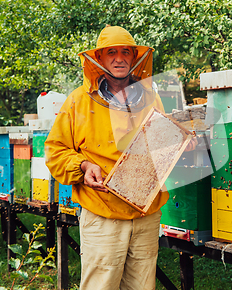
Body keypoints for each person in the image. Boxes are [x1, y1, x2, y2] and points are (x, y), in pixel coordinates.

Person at [46, 25, 182, 290]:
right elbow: (55, 151)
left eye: (125, 52)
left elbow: (161, 148)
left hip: (146, 214)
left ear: (134, 58)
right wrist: (84, 166)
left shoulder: (152, 99)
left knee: (142, 286)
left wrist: (180, 146)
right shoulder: (78, 102)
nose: (119, 58)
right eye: (111, 53)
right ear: (99, 59)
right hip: (102, 212)